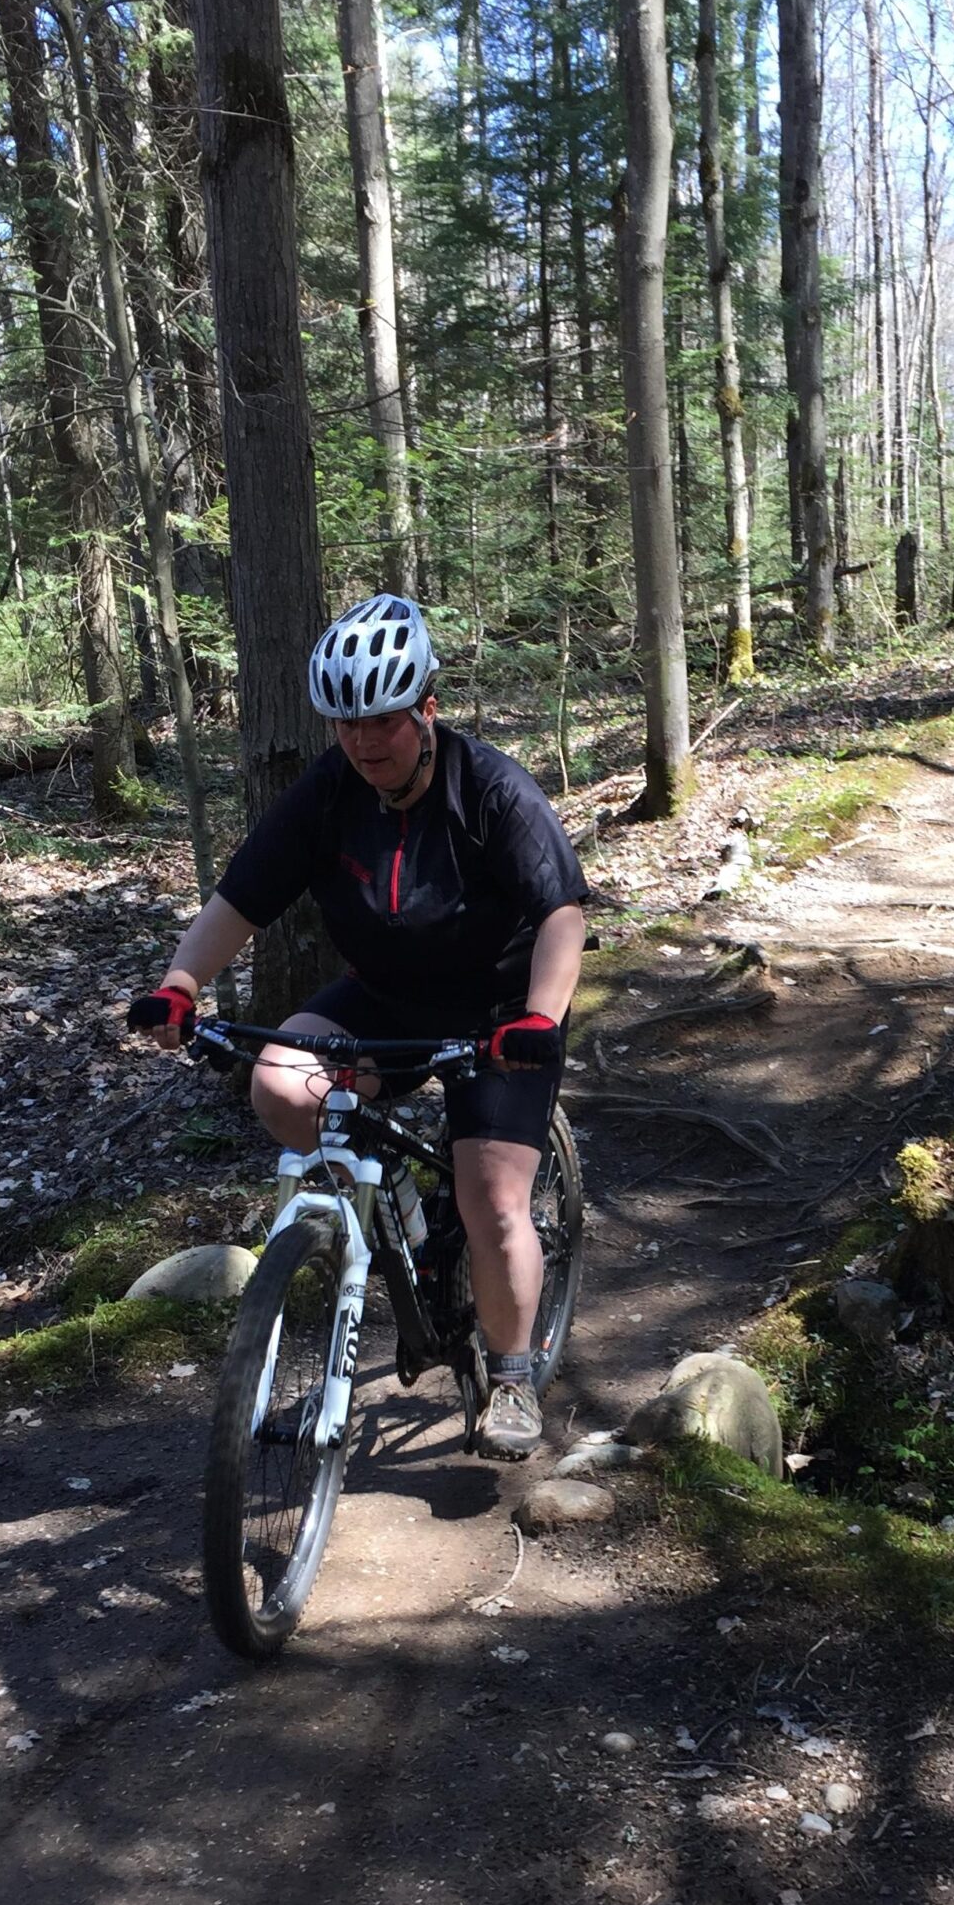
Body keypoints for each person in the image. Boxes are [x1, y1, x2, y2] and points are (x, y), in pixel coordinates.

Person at [125, 596, 587, 1461]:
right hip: (384, 995)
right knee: (278, 1080)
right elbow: (241, 899)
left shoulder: (490, 788)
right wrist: (180, 983)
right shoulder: (330, 792)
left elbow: (561, 914)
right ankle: (392, 1219)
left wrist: (537, 1016)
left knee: (492, 1199)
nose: (366, 744)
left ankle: (514, 1373)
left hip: (500, 1011)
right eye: (347, 726)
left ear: (427, 710)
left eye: (383, 722)